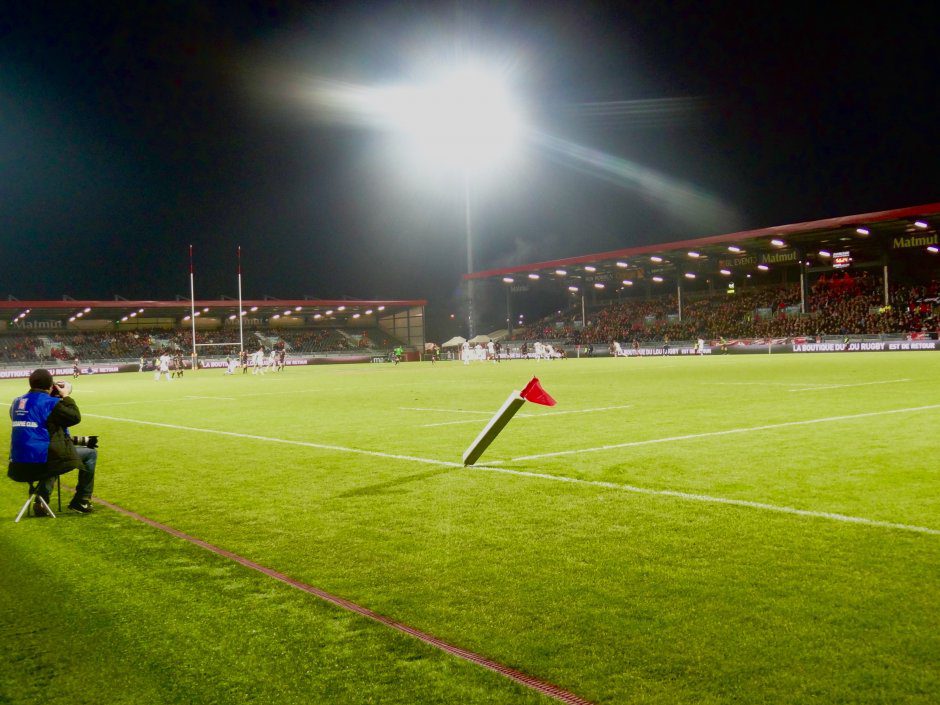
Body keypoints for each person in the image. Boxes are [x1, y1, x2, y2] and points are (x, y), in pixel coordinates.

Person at [7, 369, 97, 514]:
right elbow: (75, 417)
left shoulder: (16, 403)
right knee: (89, 454)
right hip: (40, 464)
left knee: (51, 452)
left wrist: (80, 440)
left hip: (16, 466)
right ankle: (82, 501)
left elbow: (40, 432)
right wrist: (65, 396)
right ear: (50, 385)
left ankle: (42, 502)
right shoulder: (50, 404)